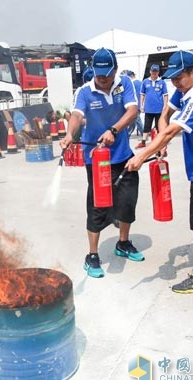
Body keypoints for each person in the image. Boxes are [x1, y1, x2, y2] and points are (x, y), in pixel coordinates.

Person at [125, 50, 193, 294]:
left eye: (179, 78)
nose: (175, 83)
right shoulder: (185, 90)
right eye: (172, 79)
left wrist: (142, 155)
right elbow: (165, 116)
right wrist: (161, 143)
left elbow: (169, 131)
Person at [60, 48, 143, 278]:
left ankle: (123, 243)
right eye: (98, 73)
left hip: (123, 155)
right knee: (97, 206)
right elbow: (76, 116)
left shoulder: (125, 83)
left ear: (115, 69)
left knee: (127, 202)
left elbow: (133, 111)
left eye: (106, 73)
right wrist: (69, 135)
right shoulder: (85, 91)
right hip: (97, 159)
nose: (102, 78)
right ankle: (92, 255)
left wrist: (113, 130)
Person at [136, 64, 168, 149]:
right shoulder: (145, 82)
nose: (154, 73)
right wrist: (141, 105)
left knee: (159, 126)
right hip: (148, 108)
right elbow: (142, 94)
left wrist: (165, 105)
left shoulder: (162, 82)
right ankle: (143, 142)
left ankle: (159, 142)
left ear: (158, 72)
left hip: (159, 108)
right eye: (153, 71)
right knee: (147, 126)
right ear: (150, 71)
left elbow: (165, 95)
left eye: (156, 71)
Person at [126, 70, 144, 137]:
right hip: (139, 104)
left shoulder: (131, 84)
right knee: (132, 121)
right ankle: (128, 134)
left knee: (137, 120)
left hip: (134, 104)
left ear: (131, 76)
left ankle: (143, 133)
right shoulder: (140, 83)